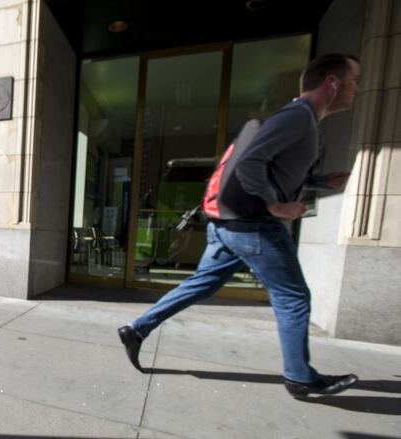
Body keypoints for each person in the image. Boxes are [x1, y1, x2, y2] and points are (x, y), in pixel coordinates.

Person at [117, 53, 361, 399]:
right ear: (332, 83)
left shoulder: (300, 120)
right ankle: (300, 377)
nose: (357, 89)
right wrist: (275, 205)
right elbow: (250, 165)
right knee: (293, 297)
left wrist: (320, 181)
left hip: (230, 226)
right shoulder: (297, 118)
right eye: (355, 80)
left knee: (202, 284)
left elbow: (274, 171)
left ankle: (136, 329)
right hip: (255, 226)